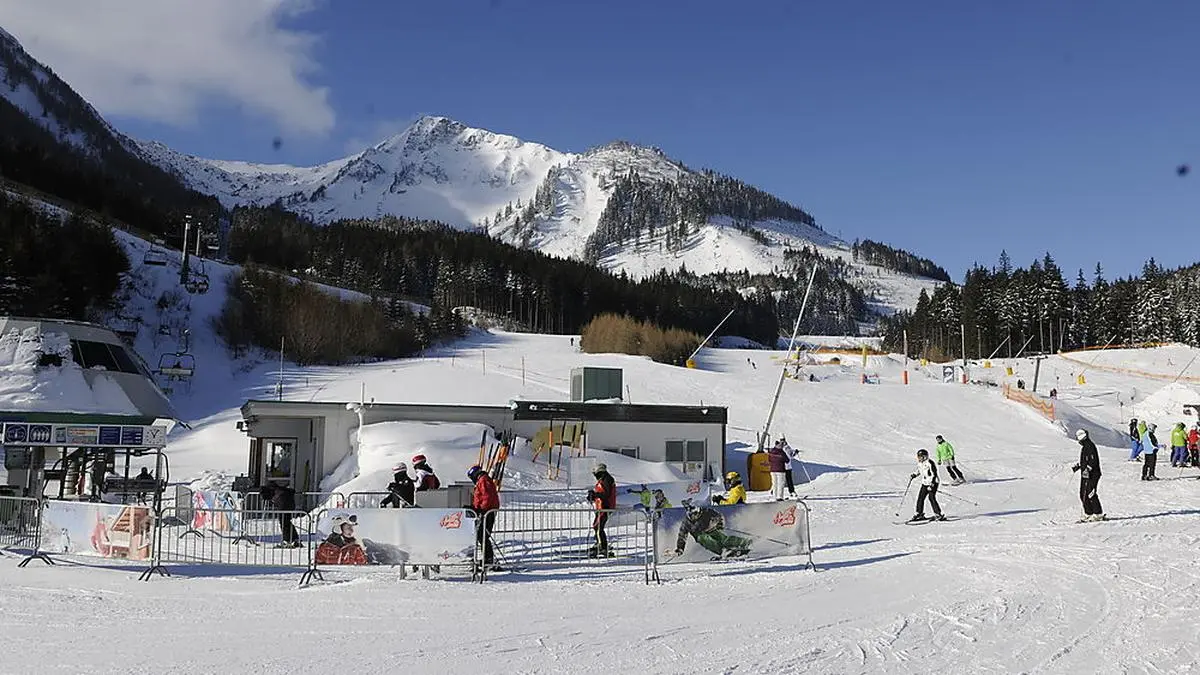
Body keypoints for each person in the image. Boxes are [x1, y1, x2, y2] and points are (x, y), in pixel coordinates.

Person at [673, 499, 751, 559]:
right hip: (700, 535)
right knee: (705, 539)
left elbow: (718, 516)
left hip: (711, 529)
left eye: (695, 514)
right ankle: (723, 551)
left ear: (699, 511)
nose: (693, 517)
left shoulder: (705, 512)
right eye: (691, 515)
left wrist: (720, 524)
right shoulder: (686, 522)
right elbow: (682, 536)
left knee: (724, 540)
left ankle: (745, 542)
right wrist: (680, 548)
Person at [467, 465, 501, 569]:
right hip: (486, 510)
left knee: (483, 535)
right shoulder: (482, 480)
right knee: (482, 535)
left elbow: (487, 496)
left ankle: (489, 559)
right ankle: (487, 558)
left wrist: (481, 509)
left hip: (487, 511)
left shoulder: (483, 480)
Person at [1071, 429, 1105, 521]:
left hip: (1093, 474)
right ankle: (1089, 512)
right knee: (1083, 493)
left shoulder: (1090, 446)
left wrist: (1088, 469)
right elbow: (1085, 460)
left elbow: (1093, 461)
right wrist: (1079, 466)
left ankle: (1098, 513)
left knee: (1090, 493)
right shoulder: (1085, 447)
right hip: (1085, 474)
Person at [587, 463, 616, 557]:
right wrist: (592, 496)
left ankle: (603, 547)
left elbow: (606, 494)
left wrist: (595, 495)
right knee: (596, 526)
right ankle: (599, 543)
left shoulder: (607, 479)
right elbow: (600, 493)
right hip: (600, 507)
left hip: (605, 507)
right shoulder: (602, 479)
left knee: (599, 527)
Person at [908, 449, 945, 522]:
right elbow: (919, 471)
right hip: (925, 483)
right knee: (920, 498)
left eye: (920, 457)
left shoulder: (930, 463)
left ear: (925, 456)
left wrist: (932, 484)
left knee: (931, 498)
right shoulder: (920, 463)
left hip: (933, 482)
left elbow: (934, 474)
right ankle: (919, 513)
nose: (919, 458)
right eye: (918, 456)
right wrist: (914, 475)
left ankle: (938, 514)